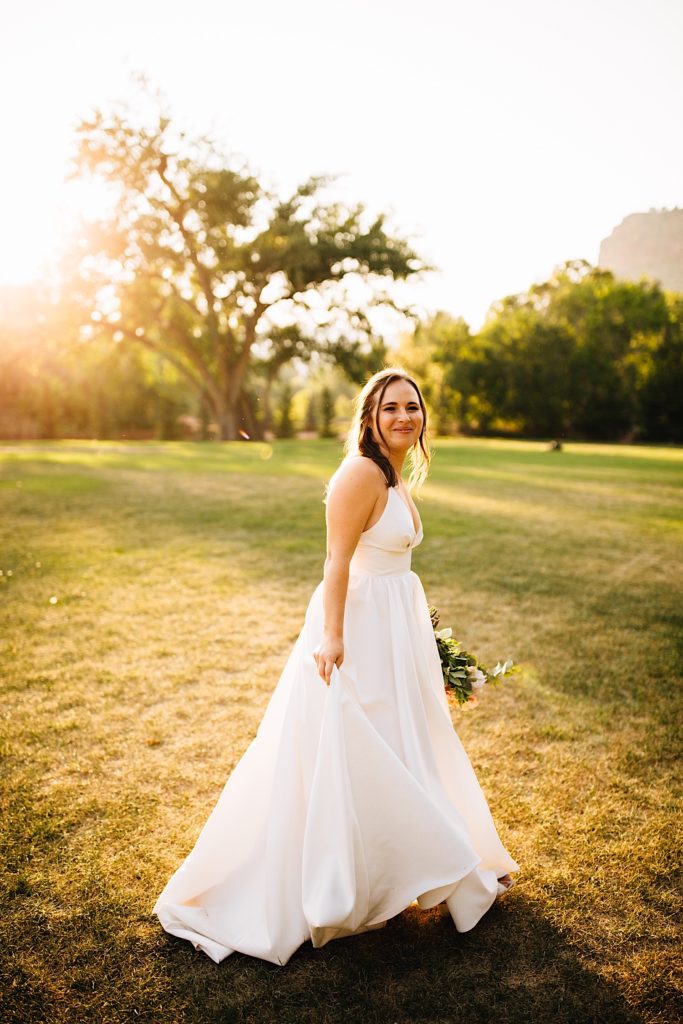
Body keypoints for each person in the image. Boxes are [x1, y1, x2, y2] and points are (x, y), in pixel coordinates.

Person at [154, 367, 519, 966]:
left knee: (401, 746)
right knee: (356, 749)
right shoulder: (359, 472)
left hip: (393, 624)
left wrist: (421, 636)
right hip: (358, 632)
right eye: (391, 408)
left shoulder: (392, 475)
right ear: (370, 418)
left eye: (413, 407)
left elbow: (389, 565)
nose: (404, 416)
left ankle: (420, 867)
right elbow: (335, 561)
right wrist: (331, 637)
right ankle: (359, 880)